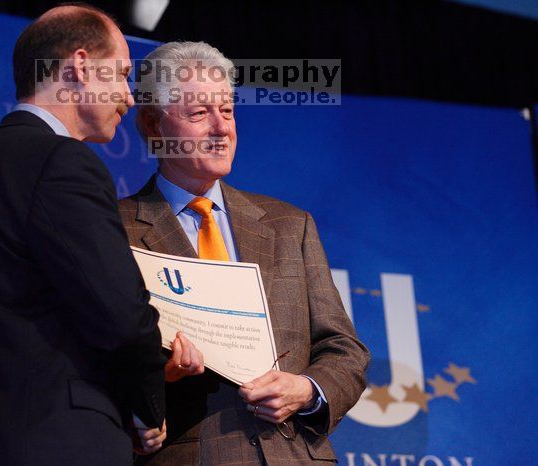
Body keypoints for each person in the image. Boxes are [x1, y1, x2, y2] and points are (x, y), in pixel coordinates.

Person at [0, 6, 166, 465]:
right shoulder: (61, 163)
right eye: (119, 74)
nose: (128, 96)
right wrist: (149, 408)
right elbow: (120, 315)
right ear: (80, 66)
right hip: (58, 443)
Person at [119, 41, 370, 465]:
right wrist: (158, 384)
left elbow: (344, 349)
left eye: (228, 111)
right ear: (152, 124)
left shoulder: (289, 224)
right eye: (200, 113)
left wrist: (306, 390)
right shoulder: (113, 229)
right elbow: (91, 368)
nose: (222, 129)